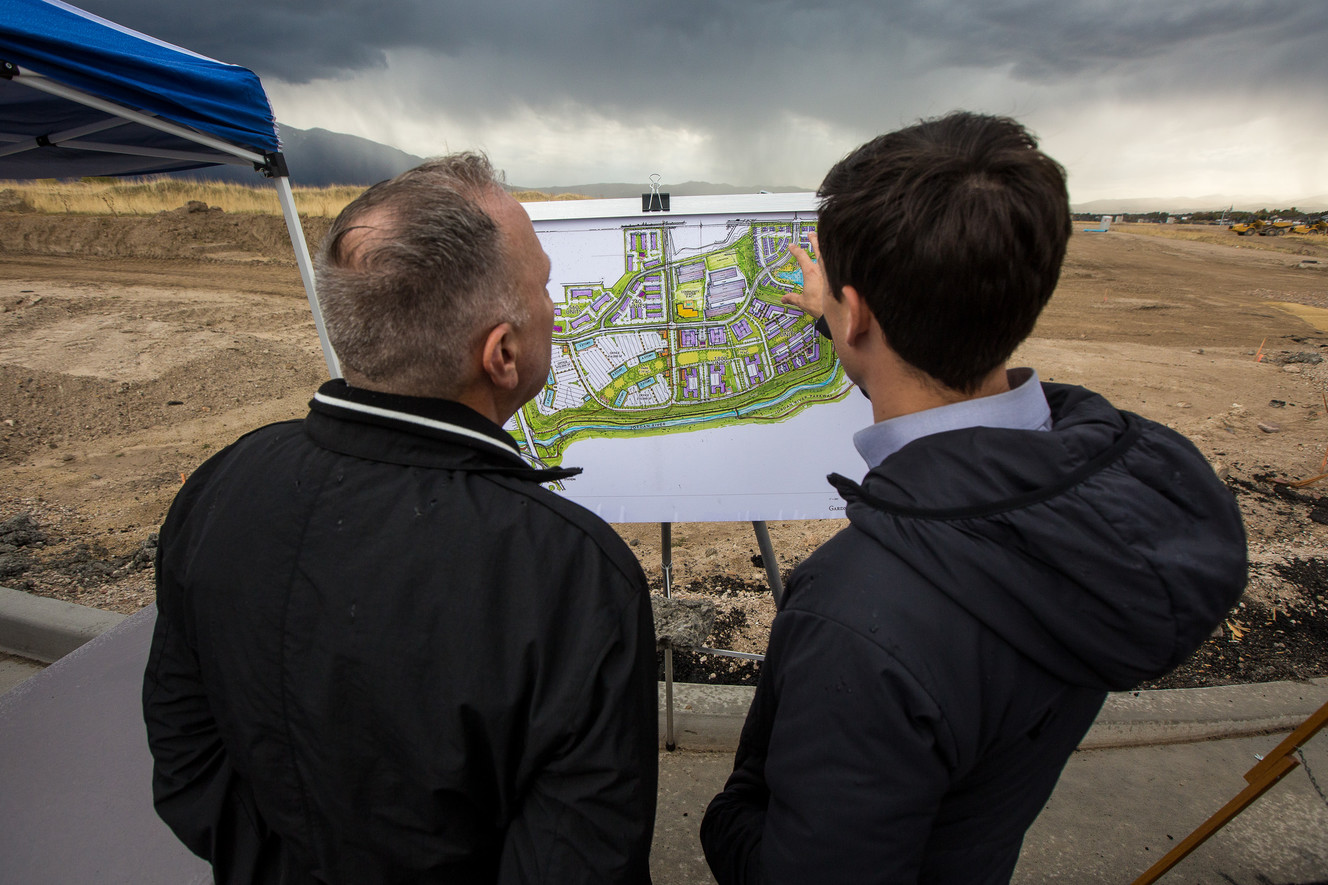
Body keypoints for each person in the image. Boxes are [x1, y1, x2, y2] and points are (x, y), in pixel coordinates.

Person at [699, 112, 1247, 884]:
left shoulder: (857, 615)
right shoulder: (1118, 490)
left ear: (858, 315)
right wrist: (843, 315)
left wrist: (731, 811)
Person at [143, 154, 657, 884]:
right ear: (502, 354)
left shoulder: (221, 483)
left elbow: (187, 761)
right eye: (544, 286)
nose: (555, 307)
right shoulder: (572, 576)